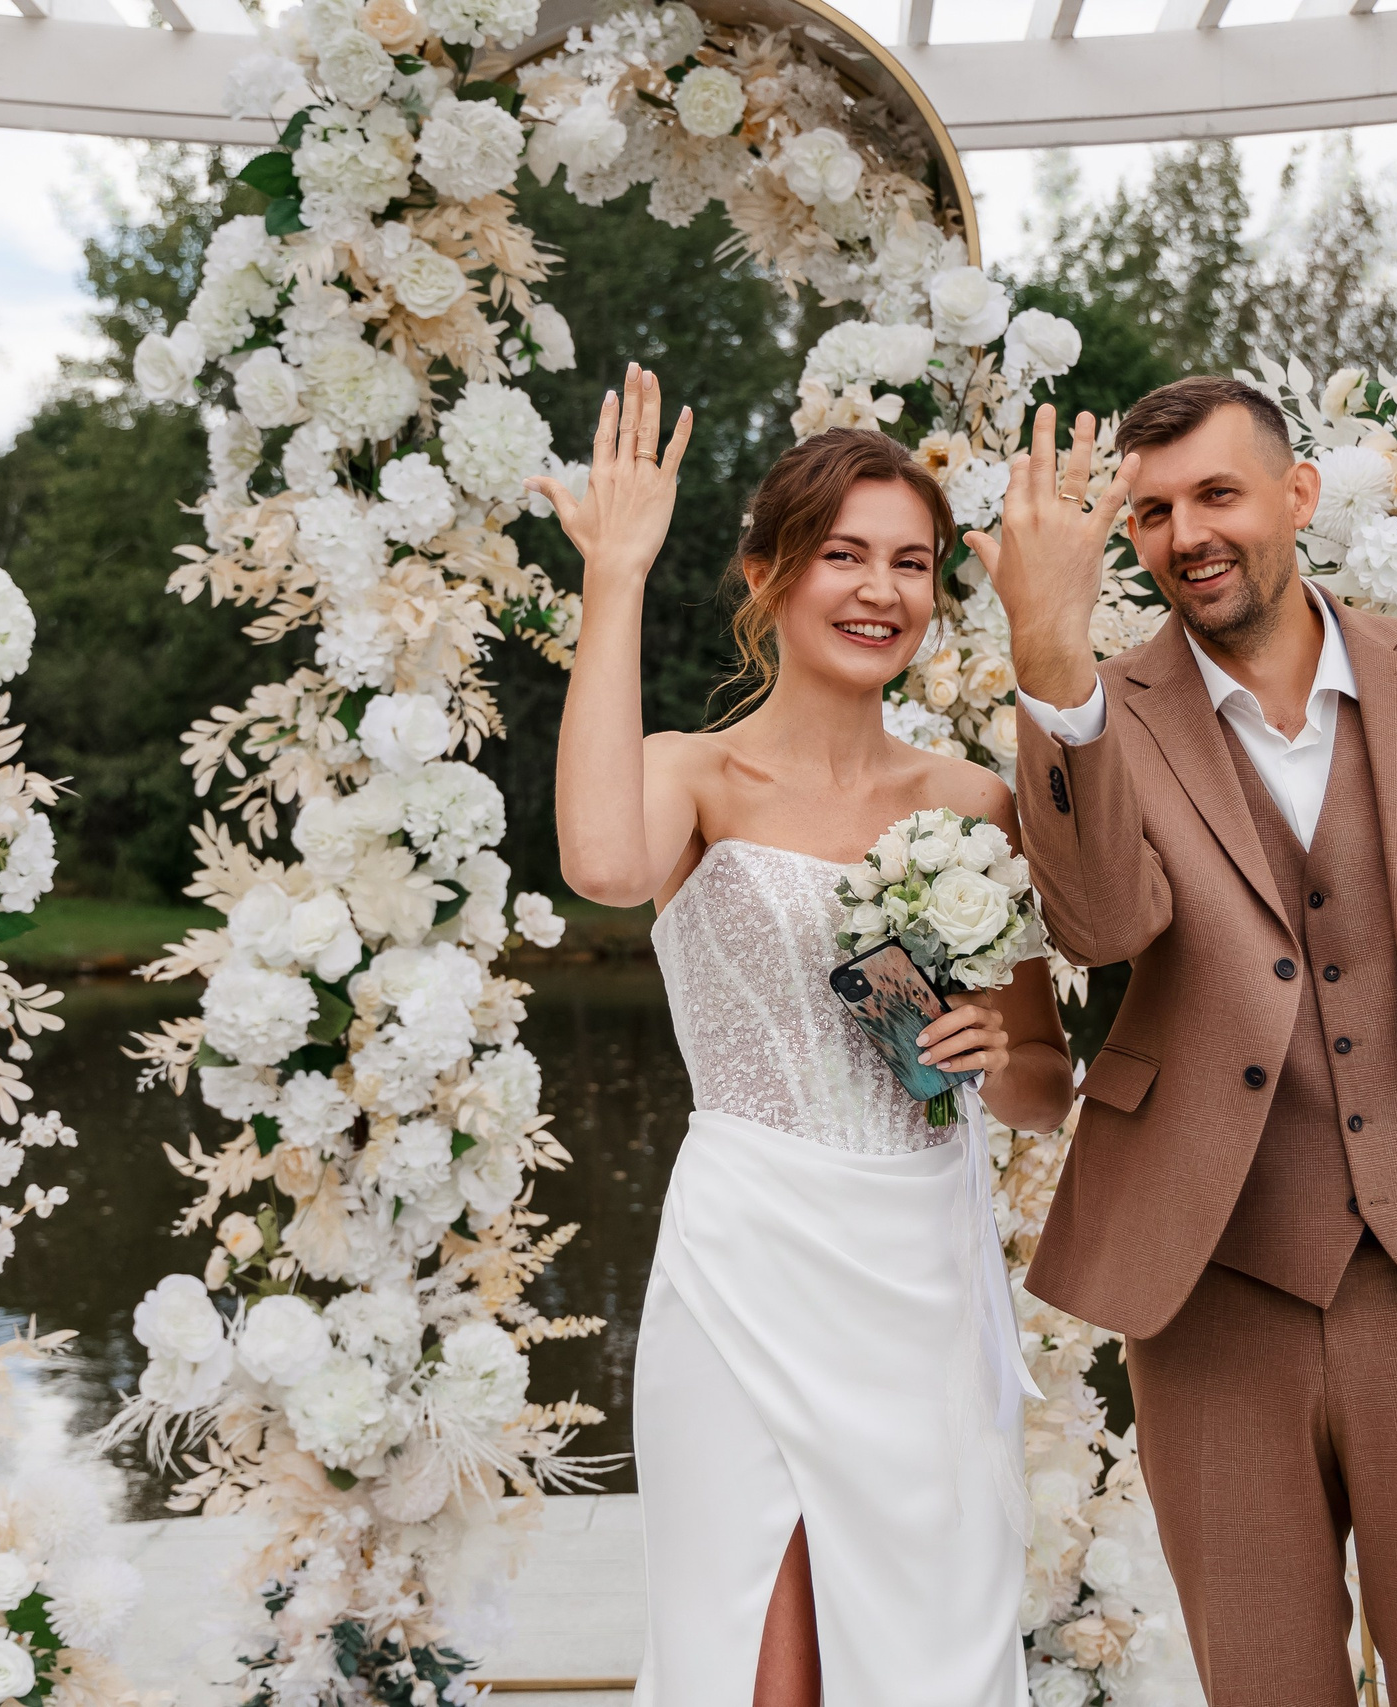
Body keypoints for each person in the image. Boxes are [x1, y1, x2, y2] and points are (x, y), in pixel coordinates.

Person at [972, 377, 1397, 1707]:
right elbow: (1104, 925)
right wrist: (1054, 668)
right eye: (1155, 511)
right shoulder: (1095, 711)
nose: (1188, 534)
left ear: (1297, 497)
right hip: (1217, 1289)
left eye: (1218, 495)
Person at [539, 366, 1075, 1707]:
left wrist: (992, 1058)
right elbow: (602, 861)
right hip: (749, 1256)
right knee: (751, 1658)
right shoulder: (690, 776)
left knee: (923, 1658)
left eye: (911, 562)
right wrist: (616, 573)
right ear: (772, 573)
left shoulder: (974, 802)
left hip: (922, 1276)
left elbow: (1044, 1087)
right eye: (843, 554)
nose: (879, 589)